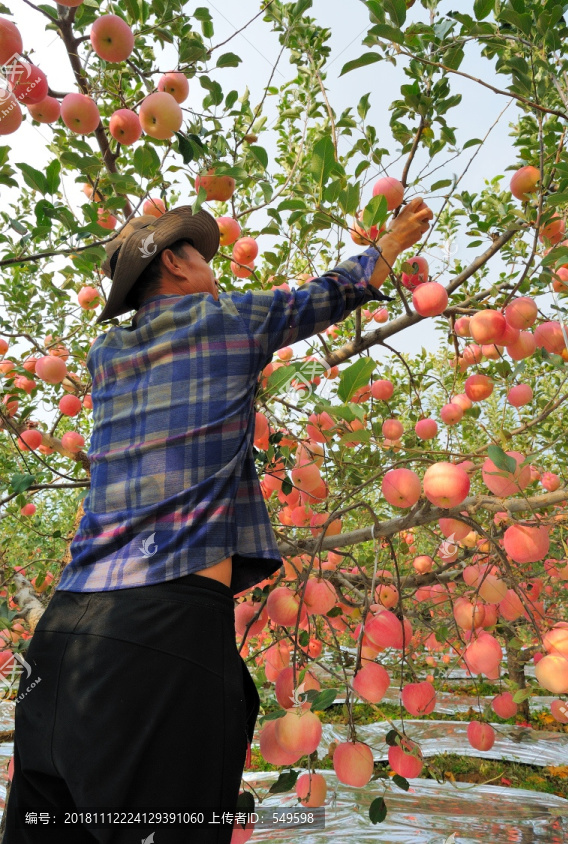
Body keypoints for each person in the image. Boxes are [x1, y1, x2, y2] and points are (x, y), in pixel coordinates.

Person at [4, 197, 432, 843]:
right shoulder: (225, 319)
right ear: (175, 262)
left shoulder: (104, 355)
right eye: (202, 254)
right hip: (159, 635)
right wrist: (392, 242)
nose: (215, 268)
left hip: (62, 638)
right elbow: (329, 293)